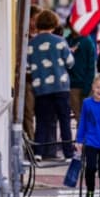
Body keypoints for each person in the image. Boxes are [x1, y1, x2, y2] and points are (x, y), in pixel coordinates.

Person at [28, 9, 75, 160]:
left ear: (38, 24)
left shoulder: (31, 44)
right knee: (64, 120)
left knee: (42, 120)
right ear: (54, 24)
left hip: (41, 88)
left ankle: (38, 152)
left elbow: (27, 68)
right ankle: (68, 153)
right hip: (61, 86)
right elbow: (70, 63)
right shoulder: (60, 42)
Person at [66, 28, 96, 127]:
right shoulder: (66, 40)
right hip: (72, 85)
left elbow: (91, 66)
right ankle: (81, 141)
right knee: (79, 117)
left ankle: (87, 141)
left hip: (85, 84)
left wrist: (88, 86)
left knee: (88, 118)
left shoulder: (87, 41)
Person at [22, 4, 42, 147]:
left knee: (42, 114)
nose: (36, 23)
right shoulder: (23, 36)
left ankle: (42, 142)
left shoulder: (44, 37)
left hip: (43, 81)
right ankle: (32, 142)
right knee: (28, 113)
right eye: (34, 19)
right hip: (28, 80)